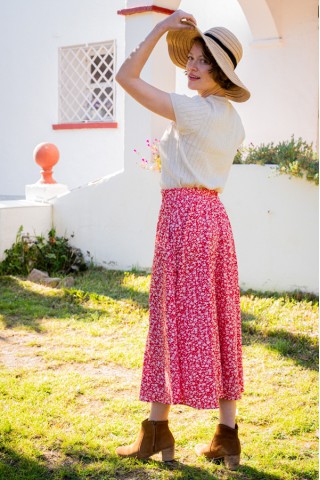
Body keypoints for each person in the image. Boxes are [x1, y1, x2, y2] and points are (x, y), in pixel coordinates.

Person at [115, 10, 250, 470]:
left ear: (221, 72)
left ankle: (157, 433)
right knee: (220, 321)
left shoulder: (193, 109)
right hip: (214, 219)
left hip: (183, 217)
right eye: (190, 58)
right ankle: (226, 438)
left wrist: (157, 29)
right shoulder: (231, 120)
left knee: (169, 320)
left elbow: (126, 77)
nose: (192, 67)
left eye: (203, 62)